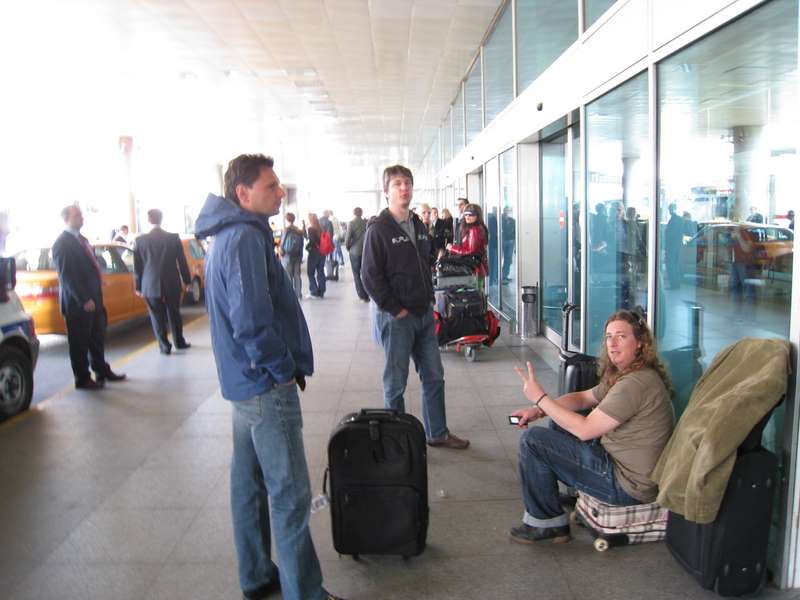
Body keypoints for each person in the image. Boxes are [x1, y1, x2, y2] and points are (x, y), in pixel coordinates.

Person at [195, 153, 344, 600]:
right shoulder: (243, 237)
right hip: (263, 387)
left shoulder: (229, 234)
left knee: (249, 486)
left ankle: (257, 574)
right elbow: (251, 323)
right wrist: (282, 370)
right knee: (290, 494)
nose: (280, 193)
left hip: (243, 386)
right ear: (243, 193)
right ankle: (306, 593)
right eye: (271, 186)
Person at [508, 309, 673, 543]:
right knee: (559, 423)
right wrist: (537, 410)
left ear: (640, 343)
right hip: (619, 463)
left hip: (627, 486)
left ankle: (546, 524)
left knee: (532, 440)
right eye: (609, 337)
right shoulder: (629, 373)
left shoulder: (635, 383)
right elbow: (584, 398)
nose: (612, 344)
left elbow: (585, 430)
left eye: (621, 336)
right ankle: (566, 495)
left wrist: (540, 398)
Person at [362, 164, 470, 450]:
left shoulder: (418, 225)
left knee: (434, 376)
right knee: (395, 383)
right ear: (386, 192)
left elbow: (425, 261)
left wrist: (429, 298)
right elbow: (369, 276)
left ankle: (437, 432)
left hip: (423, 313)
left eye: (407, 182)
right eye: (397, 183)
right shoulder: (379, 229)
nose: (404, 188)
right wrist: (395, 308)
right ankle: (396, 443)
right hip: (397, 318)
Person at [52, 205, 126, 390]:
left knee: (96, 339)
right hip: (78, 304)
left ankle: (101, 370)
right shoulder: (62, 243)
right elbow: (67, 276)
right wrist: (84, 299)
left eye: (81, 214)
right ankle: (82, 378)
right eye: (77, 215)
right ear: (66, 219)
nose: (82, 217)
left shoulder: (82, 240)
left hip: (95, 299)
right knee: (79, 343)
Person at [133, 209, 192, 355]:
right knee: (174, 313)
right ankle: (179, 342)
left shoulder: (140, 241)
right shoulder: (173, 238)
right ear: (161, 219)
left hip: (149, 284)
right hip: (172, 281)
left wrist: (138, 286)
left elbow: (137, 266)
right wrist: (187, 281)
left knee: (156, 316)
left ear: (148, 220)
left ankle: (164, 346)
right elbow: (182, 261)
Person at [447, 203, 489, 281]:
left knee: (473, 288)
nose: (467, 217)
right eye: (466, 214)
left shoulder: (475, 229)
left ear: (477, 215)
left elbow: (470, 251)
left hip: (474, 268)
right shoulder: (477, 227)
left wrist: (452, 248)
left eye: (471, 214)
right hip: (475, 267)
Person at [344, 206, 369, 302]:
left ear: (354, 213)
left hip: (355, 251)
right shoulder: (366, 222)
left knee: (356, 274)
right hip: (365, 250)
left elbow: (347, 238)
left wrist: (348, 247)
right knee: (365, 273)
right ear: (361, 213)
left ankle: (362, 296)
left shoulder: (351, 223)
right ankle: (368, 293)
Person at [279, 212, 305, 299]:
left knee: (288, 275)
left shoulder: (286, 230)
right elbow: (302, 244)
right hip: (297, 255)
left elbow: (282, 242)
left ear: (287, 219)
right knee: (297, 275)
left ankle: (290, 294)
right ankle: (298, 294)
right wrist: (301, 255)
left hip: (288, 255)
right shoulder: (298, 230)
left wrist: (281, 252)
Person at [305, 213, 326, 298]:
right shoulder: (321, 228)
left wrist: (307, 247)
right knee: (320, 272)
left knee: (310, 272)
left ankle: (314, 291)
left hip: (314, 253)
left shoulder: (311, 229)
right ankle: (321, 291)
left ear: (310, 220)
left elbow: (312, 241)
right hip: (322, 252)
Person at [320, 210, 338, 281]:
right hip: (327, 243)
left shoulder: (318, 221)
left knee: (321, 259)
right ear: (327, 214)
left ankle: (323, 273)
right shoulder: (329, 222)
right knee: (329, 257)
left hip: (320, 243)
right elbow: (331, 233)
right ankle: (329, 272)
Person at [501, 206, 516, 283]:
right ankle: (498, 277)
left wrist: (515, 245)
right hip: (502, 241)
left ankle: (505, 276)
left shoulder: (513, 220)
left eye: (509, 210)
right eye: (506, 210)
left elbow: (515, 232)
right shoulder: (500, 219)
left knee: (508, 259)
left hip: (510, 241)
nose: (507, 212)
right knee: (499, 259)